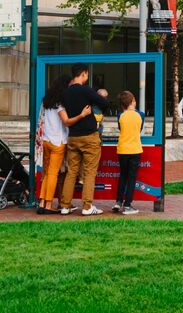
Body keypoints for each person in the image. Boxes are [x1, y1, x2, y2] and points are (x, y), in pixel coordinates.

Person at [59, 63, 111, 216]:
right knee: (89, 172)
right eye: (87, 75)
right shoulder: (86, 90)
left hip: (73, 136)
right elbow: (104, 103)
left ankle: (65, 206)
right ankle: (87, 206)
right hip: (89, 136)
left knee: (72, 172)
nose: (87, 77)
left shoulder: (65, 93)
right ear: (83, 74)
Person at [36, 73, 92, 214]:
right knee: (54, 174)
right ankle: (48, 204)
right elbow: (66, 122)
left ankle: (42, 202)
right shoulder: (60, 104)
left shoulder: (46, 101)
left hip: (46, 140)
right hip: (57, 142)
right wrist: (82, 115)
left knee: (47, 173)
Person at [111, 90, 143, 215]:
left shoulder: (121, 116)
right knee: (131, 178)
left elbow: (121, 128)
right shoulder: (140, 115)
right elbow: (139, 130)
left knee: (123, 176)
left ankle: (118, 201)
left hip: (122, 149)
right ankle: (128, 205)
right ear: (132, 102)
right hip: (135, 149)